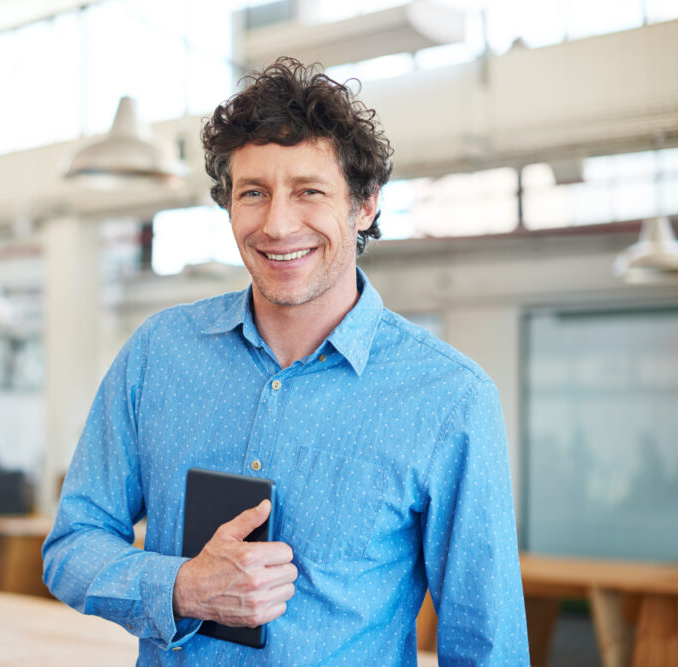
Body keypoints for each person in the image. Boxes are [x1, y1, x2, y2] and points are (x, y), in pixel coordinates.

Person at [43, 58, 529, 665]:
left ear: (365, 206)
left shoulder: (449, 397)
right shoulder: (159, 354)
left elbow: (485, 640)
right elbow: (73, 544)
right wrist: (182, 586)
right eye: (253, 193)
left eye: (309, 191)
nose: (276, 224)